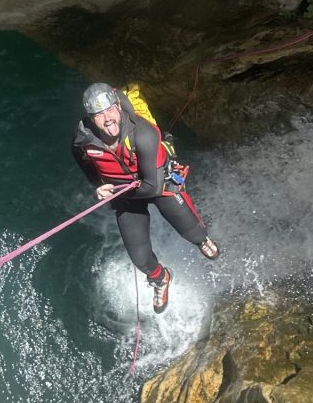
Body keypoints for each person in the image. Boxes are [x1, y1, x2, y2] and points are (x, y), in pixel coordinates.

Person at [71, 83, 219, 313]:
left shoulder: (143, 133)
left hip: (156, 183)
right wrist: (100, 187)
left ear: (119, 106)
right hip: (125, 194)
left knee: (195, 232)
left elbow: (152, 187)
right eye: (99, 114)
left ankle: (202, 241)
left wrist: (119, 191)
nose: (107, 118)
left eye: (110, 109)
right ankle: (161, 279)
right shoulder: (83, 140)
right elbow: (87, 167)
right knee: (140, 258)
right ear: (90, 119)